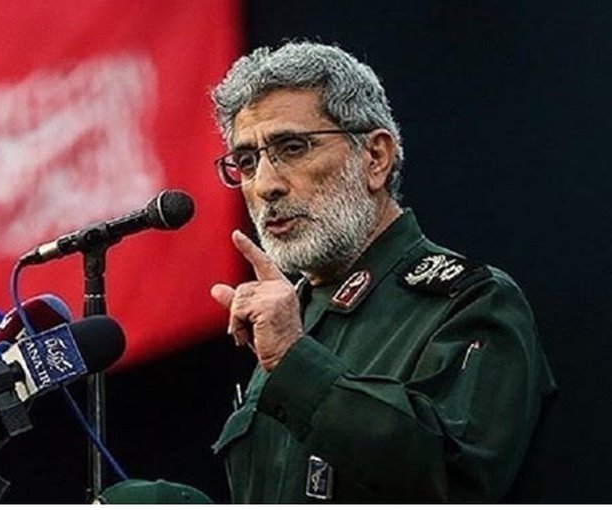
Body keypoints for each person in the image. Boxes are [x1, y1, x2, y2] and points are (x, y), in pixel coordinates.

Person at [208, 41, 556, 503]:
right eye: (247, 162)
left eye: (292, 147)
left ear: (374, 157)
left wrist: (295, 360)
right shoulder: (294, 316)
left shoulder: (475, 302)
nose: (266, 184)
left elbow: (456, 480)